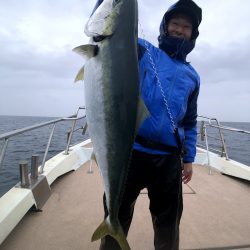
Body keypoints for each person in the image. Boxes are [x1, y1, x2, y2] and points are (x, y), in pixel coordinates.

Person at [100, 0, 202, 249]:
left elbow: (189, 120)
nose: (179, 29)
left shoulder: (193, 76)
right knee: (118, 213)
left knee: (168, 224)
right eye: (175, 23)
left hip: (168, 159)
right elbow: (109, 32)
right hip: (131, 151)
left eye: (186, 26)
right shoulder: (143, 50)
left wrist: (188, 158)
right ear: (164, 27)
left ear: (193, 33)